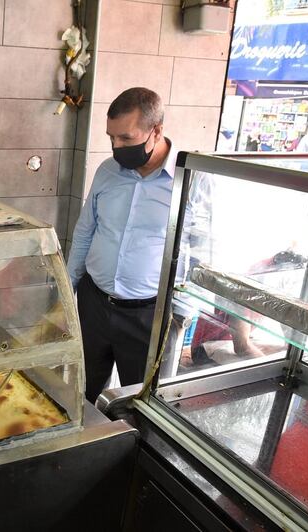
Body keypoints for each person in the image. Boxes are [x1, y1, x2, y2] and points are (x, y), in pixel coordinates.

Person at [67, 87, 178, 403]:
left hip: (146, 315)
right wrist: (67, 289)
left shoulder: (187, 180)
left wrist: (179, 315)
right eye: (111, 137)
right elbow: (85, 231)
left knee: (139, 401)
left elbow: (196, 252)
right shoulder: (107, 171)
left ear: (156, 131)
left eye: (126, 138)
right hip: (94, 303)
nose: (116, 147)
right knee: (83, 392)